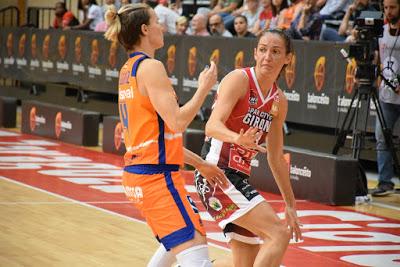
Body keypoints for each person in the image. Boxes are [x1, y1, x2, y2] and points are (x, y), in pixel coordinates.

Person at [104, 3, 228, 267]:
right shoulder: (151, 67)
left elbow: (159, 139)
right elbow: (178, 122)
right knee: (196, 253)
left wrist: (201, 164)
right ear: (145, 29)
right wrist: (204, 87)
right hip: (155, 179)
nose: (162, 26)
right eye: (157, 21)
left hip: (143, 174)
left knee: (177, 242)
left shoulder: (128, 70)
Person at [195, 29, 302, 267]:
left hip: (237, 178)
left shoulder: (279, 101)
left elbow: (275, 158)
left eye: (275, 52)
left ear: (287, 58)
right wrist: (237, 138)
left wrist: (291, 205)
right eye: (263, 50)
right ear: (255, 53)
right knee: (279, 233)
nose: (267, 57)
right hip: (216, 173)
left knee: (243, 263)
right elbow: (211, 127)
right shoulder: (239, 79)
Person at [372, 0, 400, 197]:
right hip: (386, 94)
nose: (388, 11)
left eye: (393, 7)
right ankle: (385, 182)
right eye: (386, 7)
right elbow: (378, 59)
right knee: (382, 137)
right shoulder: (381, 30)